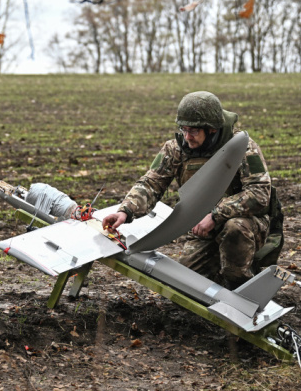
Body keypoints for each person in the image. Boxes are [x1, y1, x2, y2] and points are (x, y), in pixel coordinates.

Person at [101, 91, 283, 290]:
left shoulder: (241, 147)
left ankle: (242, 277)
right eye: (183, 129)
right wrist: (125, 211)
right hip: (201, 228)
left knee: (234, 234)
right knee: (186, 287)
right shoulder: (175, 149)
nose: (187, 137)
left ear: (212, 129)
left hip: (245, 224)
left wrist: (216, 215)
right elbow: (150, 184)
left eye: (194, 131)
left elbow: (259, 193)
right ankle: (219, 271)